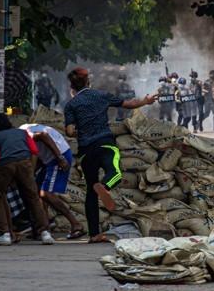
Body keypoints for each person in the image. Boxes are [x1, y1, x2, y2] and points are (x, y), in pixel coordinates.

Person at [64, 67, 157, 243]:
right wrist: (146, 101)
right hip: (106, 144)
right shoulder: (101, 95)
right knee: (115, 173)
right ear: (88, 82)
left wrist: (81, 131)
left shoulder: (71, 105)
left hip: (85, 152)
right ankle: (105, 187)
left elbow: (69, 131)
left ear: (72, 87)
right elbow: (129, 104)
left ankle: (94, 234)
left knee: (91, 193)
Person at [0, 113, 54, 246]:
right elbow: (34, 150)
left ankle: (4, 234)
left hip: (6, 163)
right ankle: (45, 233)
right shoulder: (23, 133)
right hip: (25, 162)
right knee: (33, 197)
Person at [20, 123, 85, 239]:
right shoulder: (23, 130)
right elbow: (37, 153)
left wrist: (60, 158)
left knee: (46, 194)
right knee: (37, 190)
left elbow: (43, 135)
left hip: (57, 158)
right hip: (50, 159)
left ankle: (76, 224)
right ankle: (43, 227)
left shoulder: (23, 134)